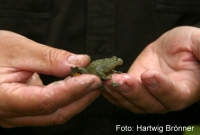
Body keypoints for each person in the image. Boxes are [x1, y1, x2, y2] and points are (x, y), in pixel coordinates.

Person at [0, 0, 200, 134]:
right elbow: (101, 74)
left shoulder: (109, 67)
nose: (115, 62)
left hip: (175, 126)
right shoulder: (102, 69)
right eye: (113, 62)